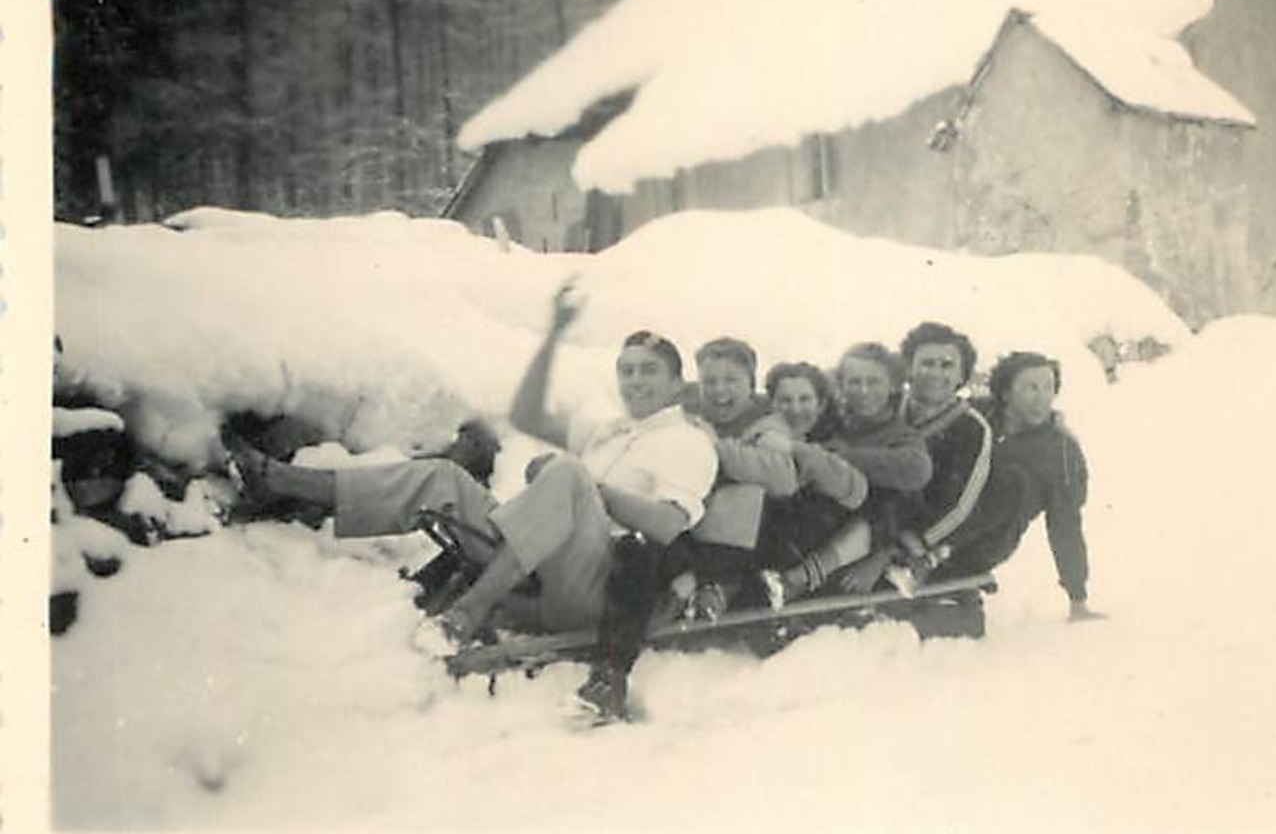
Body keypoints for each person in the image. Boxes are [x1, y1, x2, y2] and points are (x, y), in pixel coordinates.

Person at [224, 282, 718, 659]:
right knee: (444, 478)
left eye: (649, 371)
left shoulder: (688, 442)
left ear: (677, 385)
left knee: (568, 475)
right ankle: (286, 481)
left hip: (599, 586)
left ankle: (466, 613)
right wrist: (553, 336)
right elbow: (527, 413)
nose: (635, 381)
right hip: (535, 568)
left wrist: (588, 487)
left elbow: (669, 525)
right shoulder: (607, 431)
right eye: (626, 370)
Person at [577, 336, 799, 720]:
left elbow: (783, 478)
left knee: (735, 496)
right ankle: (689, 581)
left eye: (731, 381)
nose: (720, 390)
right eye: (711, 381)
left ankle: (716, 585)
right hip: (700, 527)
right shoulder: (694, 407)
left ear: (751, 385)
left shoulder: (767, 424)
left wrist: (715, 445)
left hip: (756, 536)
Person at [758, 345, 933, 605]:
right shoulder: (831, 422)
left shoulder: (900, 435)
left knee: (890, 495)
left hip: (854, 536)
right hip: (810, 520)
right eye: (854, 382)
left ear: (893, 386)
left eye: (873, 382)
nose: (863, 391)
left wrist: (839, 457)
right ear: (841, 386)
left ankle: (802, 577)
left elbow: (917, 471)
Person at [840, 321, 999, 595]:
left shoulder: (971, 427)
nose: (935, 373)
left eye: (946, 365)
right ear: (909, 368)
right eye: (926, 363)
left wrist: (893, 550)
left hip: (916, 535)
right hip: (863, 517)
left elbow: (958, 507)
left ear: (962, 374)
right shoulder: (885, 403)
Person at [948, 351, 1092, 620]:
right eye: (1031, 388)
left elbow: (1066, 525)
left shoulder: (1061, 451)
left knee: (1012, 479)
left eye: (1049, 387)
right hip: (942, 515)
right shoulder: (980, 413)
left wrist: (1077, 596)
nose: (1042, 398)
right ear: (1006, 393)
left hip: (988, 540)